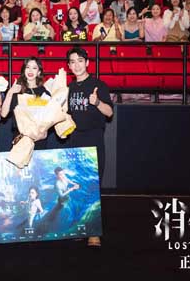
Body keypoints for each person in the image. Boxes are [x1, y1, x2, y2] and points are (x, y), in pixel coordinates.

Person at [64, 46, 113, 247]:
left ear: (87, 63)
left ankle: (93, 233)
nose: (76, 65)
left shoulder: (98, 85)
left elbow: (109, 112)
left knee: (93, 185)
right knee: (76, 185)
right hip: (74, 140)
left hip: (93, 139)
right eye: (72, 62)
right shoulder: (68, 88)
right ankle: (80, 227)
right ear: (69, 66)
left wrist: (97, 102)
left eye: (80, 61)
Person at [1, 57, 51, 150]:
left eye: (34, 68)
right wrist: (10, 92)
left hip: (39, 140)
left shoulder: (44, 93)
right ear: (24, 70)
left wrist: (43, 133)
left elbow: (49, 118)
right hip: (20, 139)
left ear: (39, 72)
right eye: (28, 67)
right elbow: (3, 114)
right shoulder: (17, 90)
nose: (30, 70)